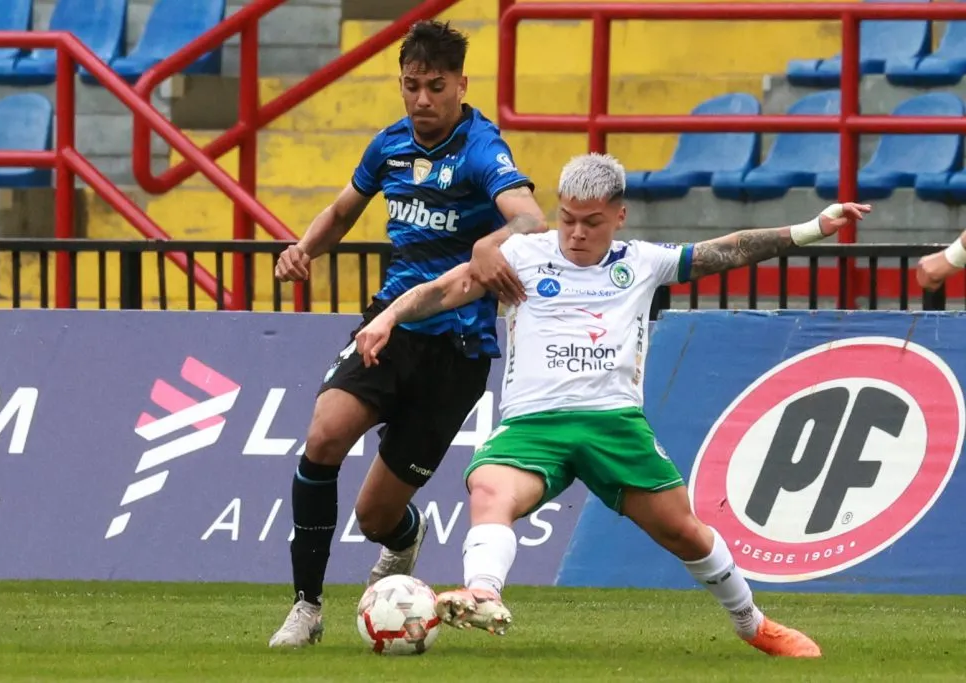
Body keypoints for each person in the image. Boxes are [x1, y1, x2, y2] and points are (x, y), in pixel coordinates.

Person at [355, 152, 873, 658]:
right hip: (533, 425)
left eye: (593, 222)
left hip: (613, 423)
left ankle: (753, 624)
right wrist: (388, 319)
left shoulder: (642, 263)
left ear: (619, 216)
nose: (577, 233)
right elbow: (445, 290)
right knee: (490, 487)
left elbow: (728, 250)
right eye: (569, 220)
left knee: (685, 533)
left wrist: (810, 229)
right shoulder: (519, 257)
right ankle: (484, 594)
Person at [268, 19, 547, 648]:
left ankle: (404, 536)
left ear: (460, 86)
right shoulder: (389, 146)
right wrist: (302, 249)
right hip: (388, 327)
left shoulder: (480, 148)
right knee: (323, 436)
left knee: (376, 516)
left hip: (458, 351)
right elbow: (344, 209)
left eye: (435, 87)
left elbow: (531, 217)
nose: (422, 100)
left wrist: (490, 242)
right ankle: (306, 607)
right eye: (412, 86)